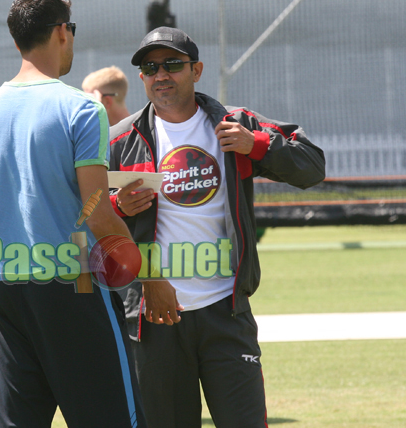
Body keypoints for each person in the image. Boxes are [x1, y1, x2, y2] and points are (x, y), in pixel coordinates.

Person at [108, 27, 325, 428]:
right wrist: (117, 205)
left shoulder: (234, 124)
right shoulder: (120, 142)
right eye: (150, 67)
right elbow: (84, 216)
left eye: (173, 64)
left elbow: (312, 166)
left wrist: (255, 145)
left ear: (197, 70)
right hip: (153, 319)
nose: (161, 75)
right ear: (141, 78)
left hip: (225, 312)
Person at [0, 0, 147, 428]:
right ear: (62, 32)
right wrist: (141, 270)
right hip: (72, 288)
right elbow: (97, 212)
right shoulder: (81, 109)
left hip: (4, 289)